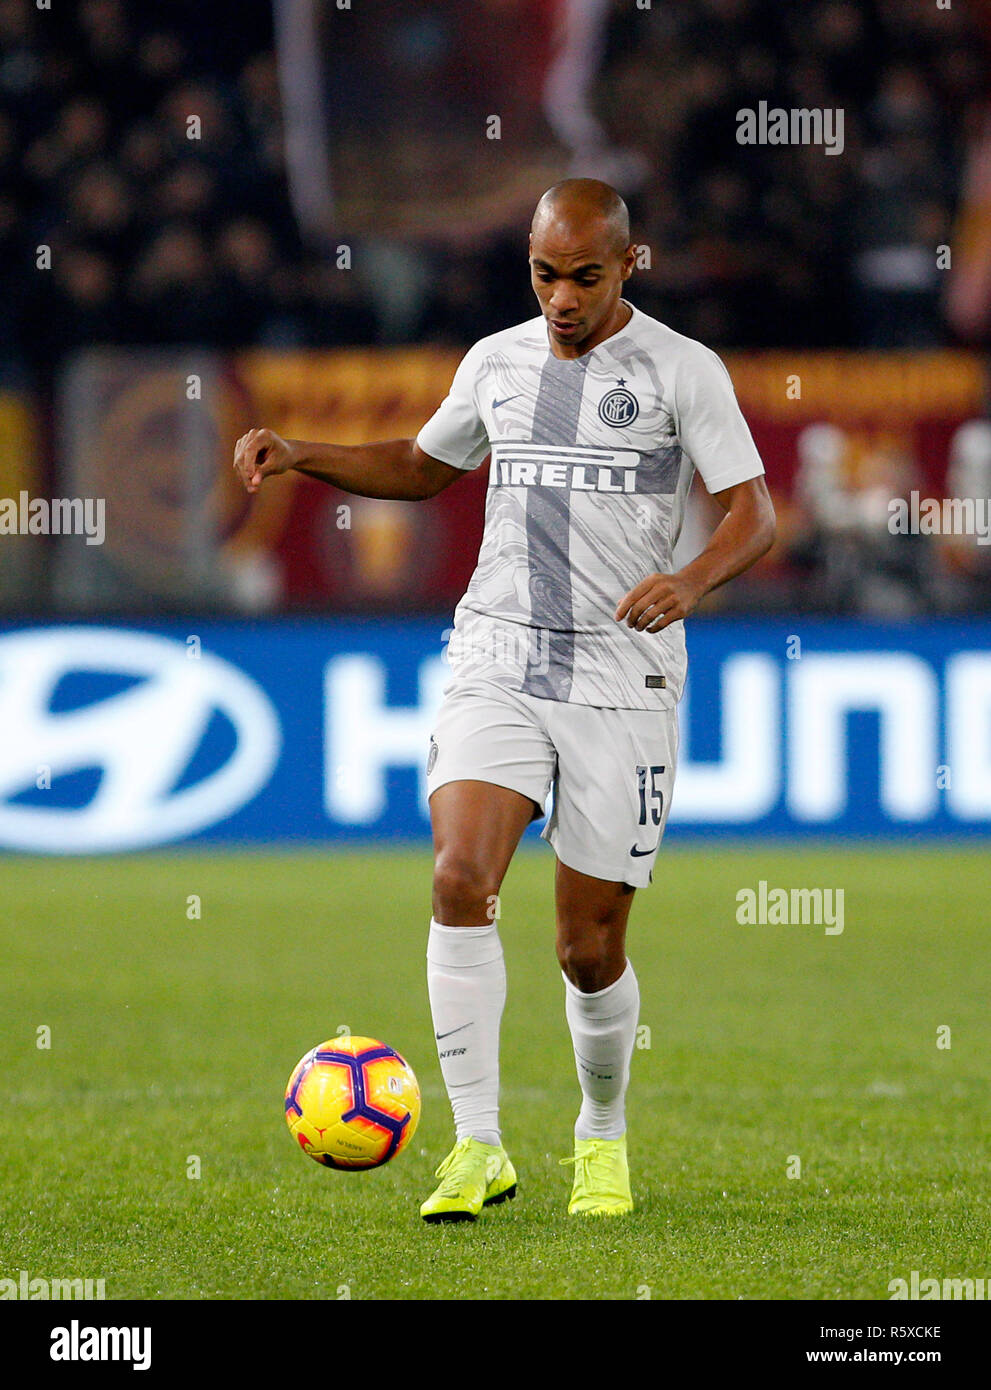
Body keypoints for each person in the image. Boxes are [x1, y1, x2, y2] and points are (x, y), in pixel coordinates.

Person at [233, 178, 775, 1222]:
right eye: (542, 274)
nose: (560, 297)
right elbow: (421, 465)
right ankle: (477, 1145)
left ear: (629, 263)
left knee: (587, 949)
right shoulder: (494, 361)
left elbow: (752, 513)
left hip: (626, 673)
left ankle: (600, 1134)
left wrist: (691, 579)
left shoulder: (681, 371)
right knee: (456, 878)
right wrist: (301, 451)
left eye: (582, 276)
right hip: (498, 653)